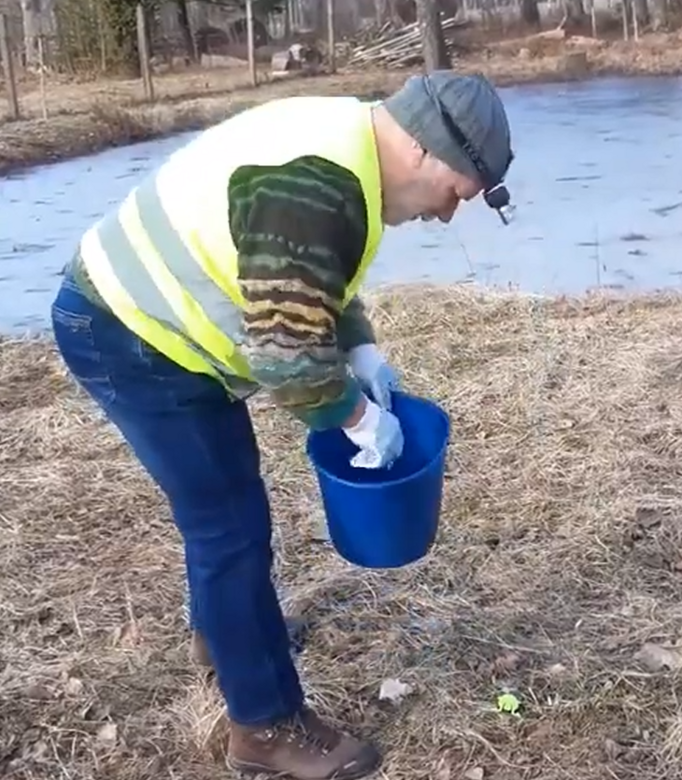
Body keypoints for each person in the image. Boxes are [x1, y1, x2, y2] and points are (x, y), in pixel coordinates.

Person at [48, 70, 514, 780]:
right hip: (133, 333)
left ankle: (222, 640)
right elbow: (290, 361)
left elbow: (313, 273)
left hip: (144, 321)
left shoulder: (349, 140)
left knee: (227, 510)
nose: (448, 216)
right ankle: (264, 728)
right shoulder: (315, 184)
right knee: (229, 525)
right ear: (423, 151)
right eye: (456, 194)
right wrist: (355, 418)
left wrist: (358, 346)